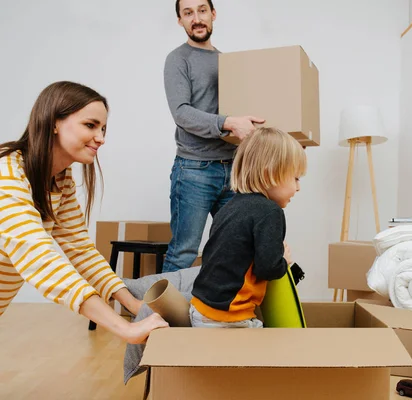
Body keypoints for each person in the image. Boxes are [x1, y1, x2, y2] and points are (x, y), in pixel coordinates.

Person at [0, 81, 168, 344]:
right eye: (90, 125)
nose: (100, 138)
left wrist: (134, 305)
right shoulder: (6, 173)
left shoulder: (58, 181)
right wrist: (125, 330)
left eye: (103, 129)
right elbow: (38, 257)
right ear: (54, 122)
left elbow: (80, 250)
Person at [162, 0, 264, 273]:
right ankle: (160, 316)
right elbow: (182, 113)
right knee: (184, 251)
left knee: (233, 248)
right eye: (188, 13)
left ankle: (215, 314)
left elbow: (245, 111)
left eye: (202, 10)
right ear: (180, 20)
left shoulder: (228, 62)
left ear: (213, 14)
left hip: (233, 170)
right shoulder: (178, 59)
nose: (196, 18)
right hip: (194, 169)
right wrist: (229, 123)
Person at [189, 127, 306, 328]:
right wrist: (284, 261)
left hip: (200, 309)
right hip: (228, 319)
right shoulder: (269, 211)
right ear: (271, 172)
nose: (298, 188)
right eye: (295, 178)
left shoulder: (230, 206)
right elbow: (268, 268)